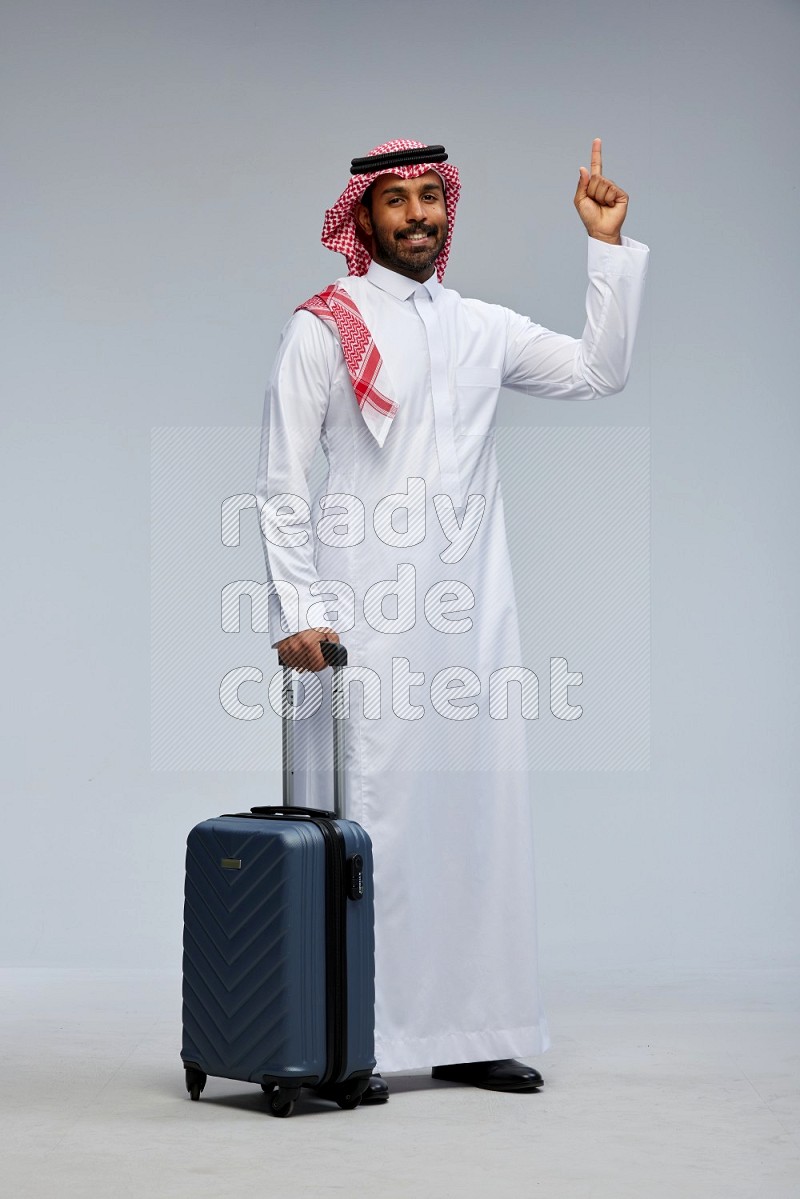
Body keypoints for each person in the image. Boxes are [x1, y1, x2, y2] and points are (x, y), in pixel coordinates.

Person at [256, 138, 649, 1102]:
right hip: (363, 619)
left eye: (432, 197)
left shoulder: (482, 327)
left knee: (477, 820)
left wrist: (606, 248)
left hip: (472, 622)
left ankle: (476, 1030)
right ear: (363, 218)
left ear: (448, 209)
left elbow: (599, 371)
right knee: (371, 827)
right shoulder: (325, 326)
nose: (419, 215)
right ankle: (356, 1037)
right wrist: (299, 611)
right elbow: (279, 481)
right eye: (398, 201)